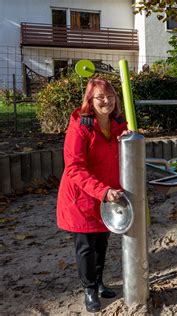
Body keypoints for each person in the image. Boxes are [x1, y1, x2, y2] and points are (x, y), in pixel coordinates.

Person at [56, 78, 128, 313]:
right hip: (83, 197)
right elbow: (74, 167)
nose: (106, 101)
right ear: (90, 100)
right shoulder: (80, 126)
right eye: (100, 97)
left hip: (107, 196)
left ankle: (98, 282)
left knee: (102, 242)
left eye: (109, 96)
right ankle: (89, 289)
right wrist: (102, 191)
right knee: (86, 245)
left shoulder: (119, 124)